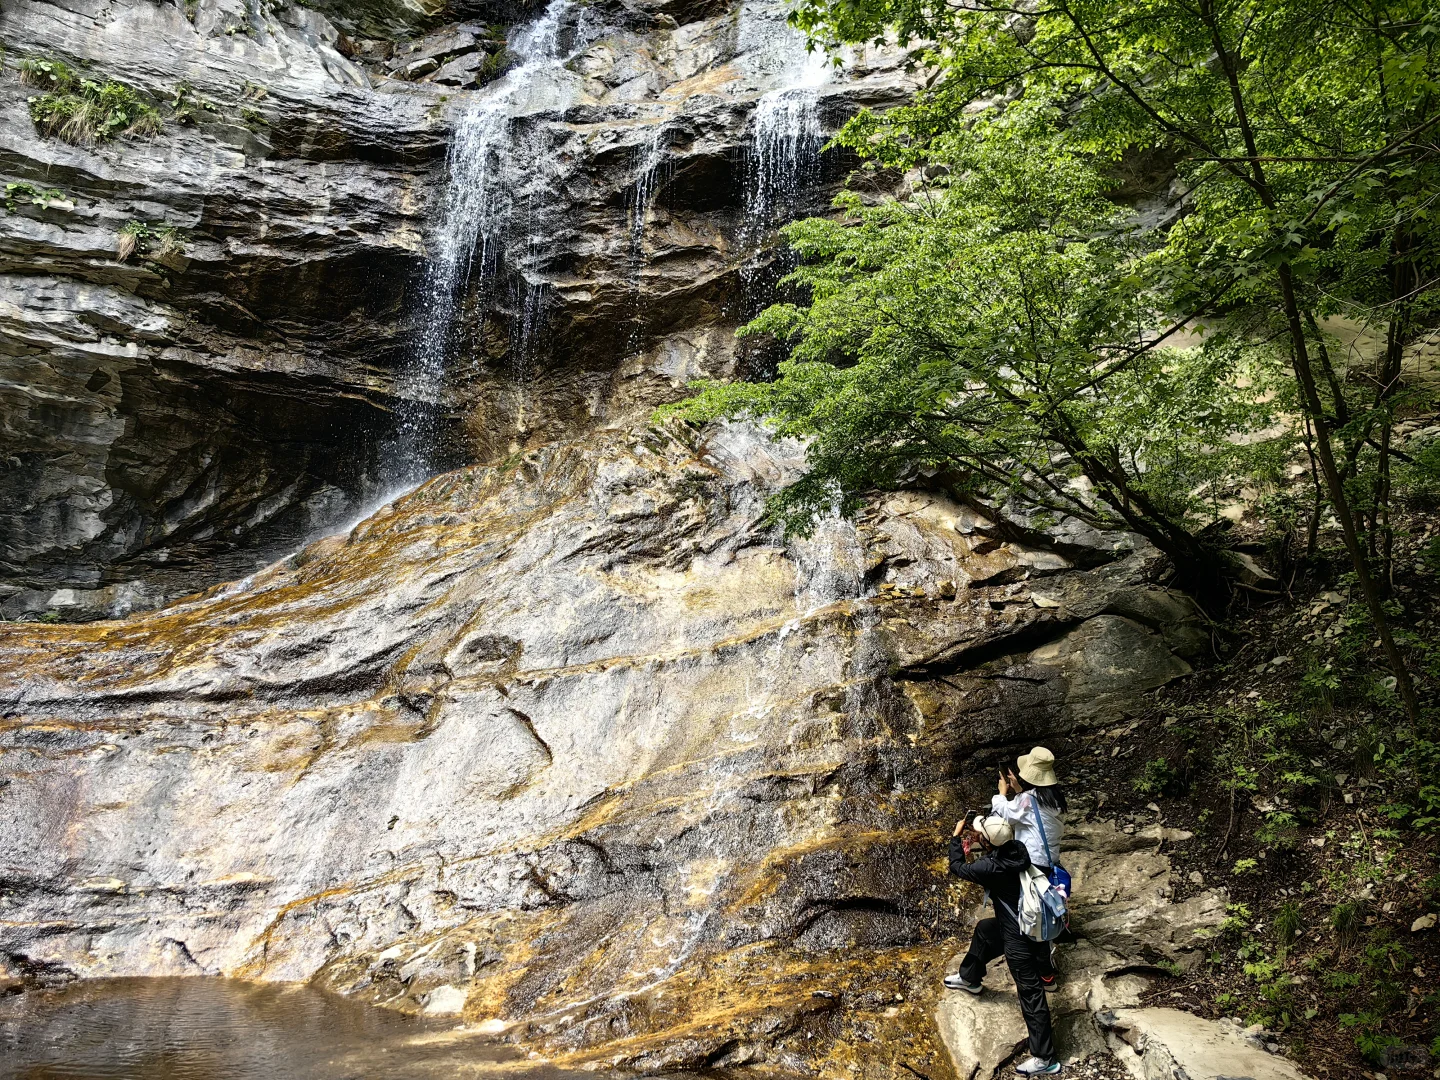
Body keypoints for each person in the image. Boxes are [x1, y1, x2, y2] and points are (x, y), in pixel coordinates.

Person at [943, 813, 1062, 1076]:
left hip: (1019, 937)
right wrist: (981, 843)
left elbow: (958, 868)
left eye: (981, 834)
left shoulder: (992, 868)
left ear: (988, 842)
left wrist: (955, 838)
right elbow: (992, 860)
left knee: (1030, 993)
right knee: (986, 929)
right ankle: (970, 978)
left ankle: (1045, 1058)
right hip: (1029, 925)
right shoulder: (1018, 850)